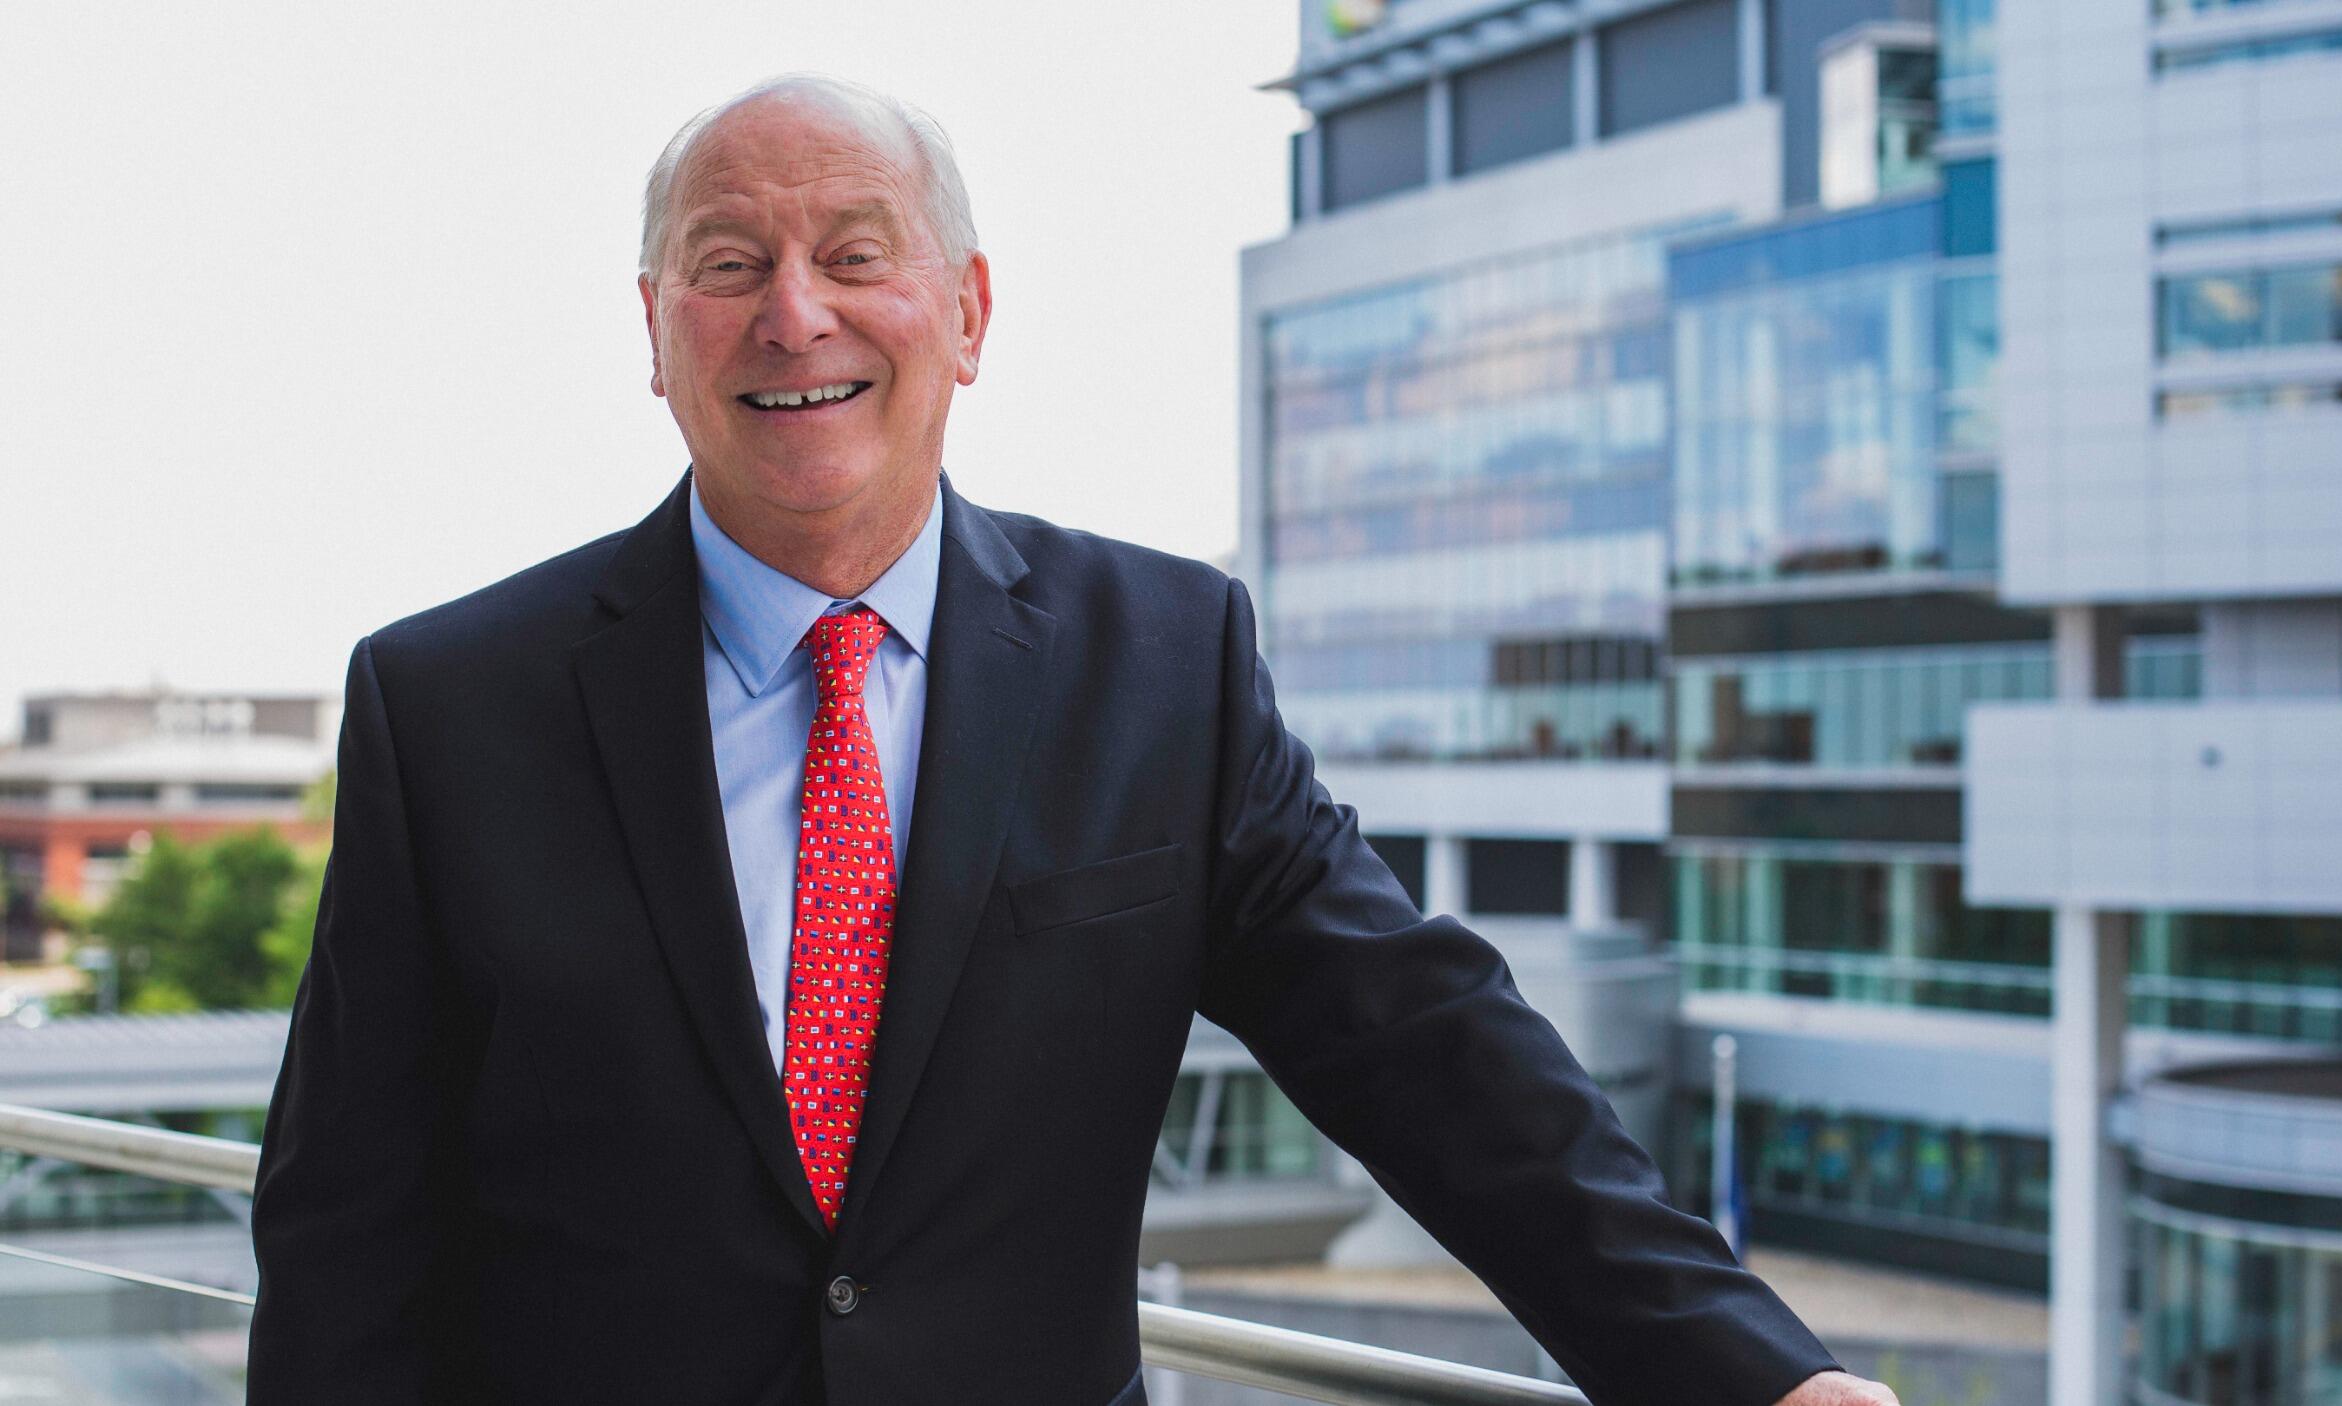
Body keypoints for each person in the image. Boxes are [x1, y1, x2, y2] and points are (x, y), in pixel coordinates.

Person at [245, 73, 1901, 1406]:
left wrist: (1749, 1373)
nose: (795, 314)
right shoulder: (446, 705)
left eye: (856, 254)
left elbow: (1424, 1047)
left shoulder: (1167, 664)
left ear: (967, 313)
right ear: (656, 326)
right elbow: (345, 1235)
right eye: (730, 262)